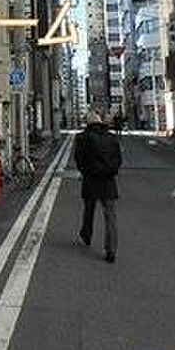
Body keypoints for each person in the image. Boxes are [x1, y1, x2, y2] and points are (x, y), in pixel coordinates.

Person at [74, 109, 123, 264]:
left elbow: (78, 159)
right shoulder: (112, 137)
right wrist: (111, 171)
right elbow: (118, 159)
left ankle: (86, 235)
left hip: (90, 179)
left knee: (89, 209)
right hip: (108, 181)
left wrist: (85, 171)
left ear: (88, 122)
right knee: (110, 215)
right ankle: (111, 250)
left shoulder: (81, 137)